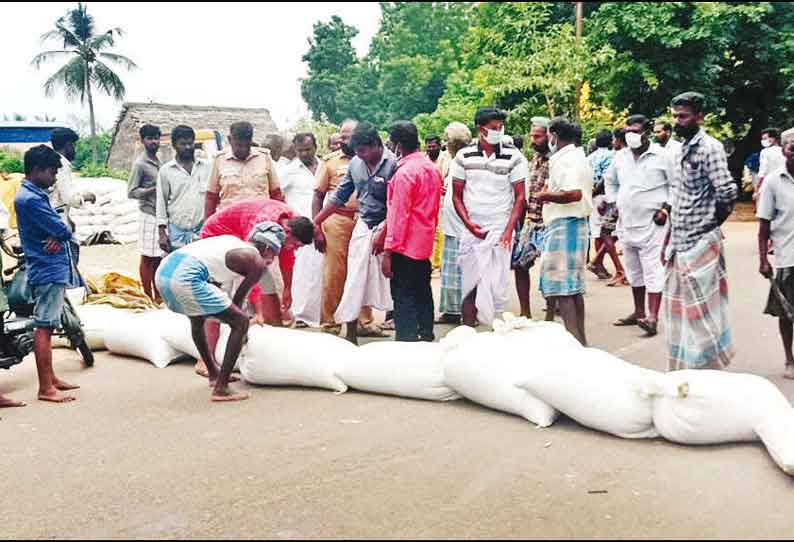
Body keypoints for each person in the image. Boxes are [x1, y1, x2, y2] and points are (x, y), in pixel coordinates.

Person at [156, 224, 285, 402]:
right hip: (185, 277)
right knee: (240, 322)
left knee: (198, 318)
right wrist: (242, 333)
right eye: (275, 254)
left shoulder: (234, 244)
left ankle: (214, 374)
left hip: (164, 272)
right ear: (268, 248)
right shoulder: (256, 262)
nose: (272, 260)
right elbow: (238, 302)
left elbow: (217, 285)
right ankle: (221, 387)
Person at [663, 92, 738, 371]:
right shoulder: (680, 148)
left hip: (700, 242)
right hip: (680, 242)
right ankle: (685, 374)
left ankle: (710, 374)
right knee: (680, 314)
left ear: (699, 117)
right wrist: (670, 240)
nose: (677, 121)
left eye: (683, 116)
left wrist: (711, 225)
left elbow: (728, 192)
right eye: (674, 116)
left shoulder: (710, 147)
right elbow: (679, 197)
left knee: (703, 315)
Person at [197, 199, 314, 376]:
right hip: (217, 237)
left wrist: (288, 289)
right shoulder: (262, 223)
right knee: (218, 300)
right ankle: (205, 361)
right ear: (287, 232)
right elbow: (251, 264)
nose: (295, 249)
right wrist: (258, 311)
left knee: (270, 290)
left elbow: (287, 259)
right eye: (296, 245)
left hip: (241, 243)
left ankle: (269, 342)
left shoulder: (291, 222)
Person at [314, 122, 396, 344]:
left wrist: (385, 232)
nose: (360, 156)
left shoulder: (394, 164)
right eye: (357, 152)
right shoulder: (357, 164)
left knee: (393, 280)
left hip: (390, 225)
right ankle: (350, 333)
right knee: (354, 278)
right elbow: (339, 196)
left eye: (364, 151)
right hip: (363, 224)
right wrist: (317, 222)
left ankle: (401, 331)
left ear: (377, 145)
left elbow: (397, 205)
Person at [15, 145, 83, 403]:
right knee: (44, 326)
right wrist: (59, 232)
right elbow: (63, 229)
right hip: (47, 268)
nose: (55, 177)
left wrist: (58, 232)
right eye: (52, 172)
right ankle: (45, 387)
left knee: (49, 324)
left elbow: (59, 230)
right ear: (36, 171)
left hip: (47, 265)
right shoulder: (31, 199)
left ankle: (51, 378)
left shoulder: (33, 194)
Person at [451, 107, 527, 327]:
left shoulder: (514, 156)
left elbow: (520, 197)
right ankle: (466, 331)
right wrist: (469, 225)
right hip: (472, 229)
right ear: (480, 129)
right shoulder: (463, 156)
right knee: (470, 284)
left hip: (500, 228)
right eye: (494, 128)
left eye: (501, 127)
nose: (499, 131)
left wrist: (508, 230)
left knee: (497, 286)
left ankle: (495, 336)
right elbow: (457, 196)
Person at [606, 115, 674, 337]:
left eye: (635, 131)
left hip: (654, 223)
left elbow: (677, 185)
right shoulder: (620, 157)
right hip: (627, 222)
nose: (631, 136)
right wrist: (614, 202)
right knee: (634, 269)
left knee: (653, 268)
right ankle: (639, 312)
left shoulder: (663, 156)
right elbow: (611, 181)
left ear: (647, 132)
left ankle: (653, 317)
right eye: (628, 132)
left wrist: (666, 209)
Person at [381, 121, 441, 342]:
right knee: (423, 293)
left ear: (397, 145)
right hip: (424, 244)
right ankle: (426, 336)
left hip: (404, 246)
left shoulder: (404, 173)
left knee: (404, 298)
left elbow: (398, 216)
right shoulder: (431, 169)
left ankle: (407, 342)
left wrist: (388, 252)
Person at [537, 117, 593, 346]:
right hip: (575, 224)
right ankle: (581, 341)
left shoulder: (565, 160)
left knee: (563, 290)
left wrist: (544, 196)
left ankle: (574, 343)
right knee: (573, 289)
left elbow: (574, 193)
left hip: (564, 223)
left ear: (554, 136)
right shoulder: (577, 156)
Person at [757, 128, 794, 380]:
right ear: (784, 150)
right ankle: (789, 359)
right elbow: (764, 226)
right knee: (787, 313)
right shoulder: (773, 181)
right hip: (788, 256)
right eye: (793, 147)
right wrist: (762, 259)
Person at [280, 133, 323, 327]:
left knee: (320, 271)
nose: (305, 153)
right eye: (300, 150)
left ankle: (321, 313)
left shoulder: (324, 166)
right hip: (300, 230)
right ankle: (300, 314)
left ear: (315, 146)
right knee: (302, 272)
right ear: (295, 150)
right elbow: (277, 194)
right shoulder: (289, 171)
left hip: (322, 226)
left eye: (308, 149)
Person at [512, 117, 551, 319]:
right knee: (520, 264)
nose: (533, 140)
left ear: (549, 136)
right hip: (531, 220)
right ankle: (525, 312)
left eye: (537, 136)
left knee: (549, 268)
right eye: (532, 136)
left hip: (550, 222)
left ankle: (551, 313)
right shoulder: (534, 159)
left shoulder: (556, 160)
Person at [205, 122, 282, 218]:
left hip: (261, 220)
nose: (243, 149)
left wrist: (281, 218)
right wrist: (207, 226)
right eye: (239, 145)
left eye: (247, 145)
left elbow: (276, 193)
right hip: (230, 221)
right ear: (230, 139)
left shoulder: (264, 157)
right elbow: (211, 197)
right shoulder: (219, 160)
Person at [438, 122, 472, 324]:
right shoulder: (454, 161)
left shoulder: (466, 161)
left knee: (463, 271)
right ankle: (451, 311)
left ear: (455, 143)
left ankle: (465, 313)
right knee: (451, 271)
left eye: (446, 140)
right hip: (452, 225)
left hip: (463, 226)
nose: (445, 144)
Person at [157, 125, 210, 253]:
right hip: (177, 231)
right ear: (174, 145)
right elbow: (161, 202)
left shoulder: (206, 167)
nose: (187, 147)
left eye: (190, 143)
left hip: (201, 230)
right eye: (182, 144)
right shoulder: (166, 171)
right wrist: (162, 234)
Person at [127, 124, 162, 301]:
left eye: (156, 138)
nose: (154, 141)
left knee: (158, 257)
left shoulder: (158, 160)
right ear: (143, 141)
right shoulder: (140, 164)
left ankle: (158, 294)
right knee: (148, 257)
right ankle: (148, 295)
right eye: (150, 138)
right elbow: (131, 192)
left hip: (160, 213)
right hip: (148, 213)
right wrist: (152, 190)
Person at [49, 127, 94, 227]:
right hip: (55, 221)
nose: (75, 150)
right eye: (74, 145)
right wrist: (86, 196)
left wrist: (68, 218)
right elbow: (69, 198)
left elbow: (57, 195)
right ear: (68, 145)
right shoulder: (61, 164)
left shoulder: (50, 161)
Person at [586, 130, 615, 280]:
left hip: (592, 196)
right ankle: (599, 264)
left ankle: (599, 264)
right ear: (610, 141)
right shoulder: (611, 156)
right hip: (604, 196)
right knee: (607, 231)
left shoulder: (590, 157)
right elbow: (606, 177)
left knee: (597, 231)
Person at [425, 134, 445, 275]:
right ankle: (431, 263)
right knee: (431, 232)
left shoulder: (446, 160)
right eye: (429, 147)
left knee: (441, 232)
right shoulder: (424, 161)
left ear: (439, 146)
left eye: (434, 146)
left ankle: (439, 263)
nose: (431, 149)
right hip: (427, 202)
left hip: (443, 202)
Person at [757, 127, 786, 198]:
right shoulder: (785, 151)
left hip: (768, 187)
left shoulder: (765, 152)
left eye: (765, 138)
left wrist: (757, 188)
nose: (763, 141)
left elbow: (762, 172)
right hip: (783, 187)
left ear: (773, 138)